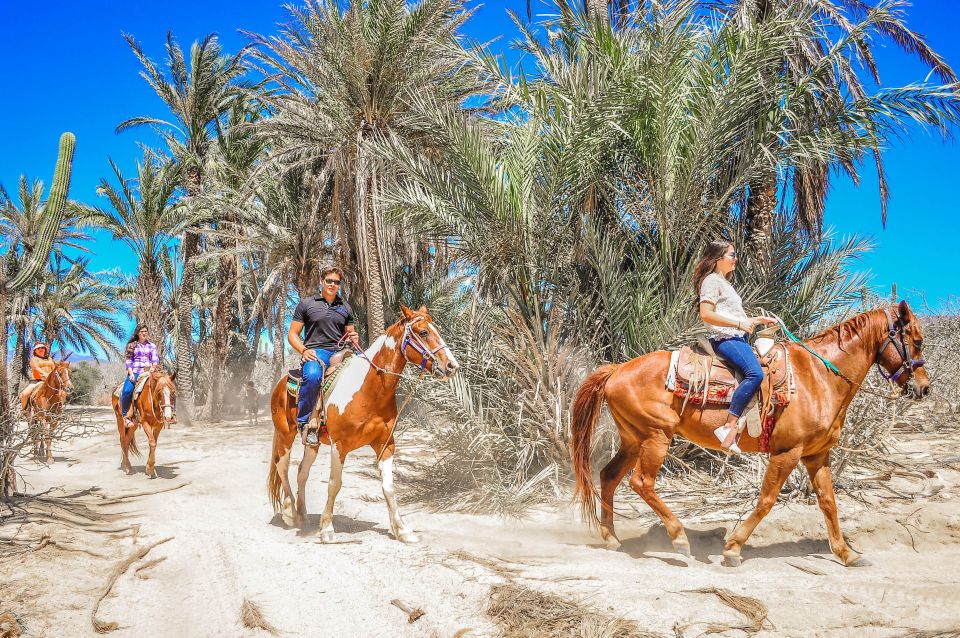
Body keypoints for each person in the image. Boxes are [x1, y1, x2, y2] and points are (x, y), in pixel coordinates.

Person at [693, 241, 777, 452]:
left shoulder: (725, 283)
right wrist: (740, 324)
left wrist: (756, 320)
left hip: (736, 338)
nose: (735, 258)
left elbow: (731, 314)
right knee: (755, 374)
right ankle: (729, 426)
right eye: (731, 254)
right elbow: (706, 314)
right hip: (724, 339)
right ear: (718, 258)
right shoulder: (712, 280)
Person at [287, 265, 360, 446]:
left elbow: (350, 333)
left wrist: (354, 336)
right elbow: (292, 334)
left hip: (340, 353)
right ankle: (305, 423)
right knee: (312, 376)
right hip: (316, 352)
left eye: (337, 282)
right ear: (321, 281)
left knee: (363, 374)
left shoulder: (345, 307)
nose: (333, 285)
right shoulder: (307, 304)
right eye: (329, 281)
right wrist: (304, 350)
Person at [121, 325, 160, 427]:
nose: (144, 333)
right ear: (138, 333)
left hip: (149, 372)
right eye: (142, 331)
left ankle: (171, 413)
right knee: (127, 391)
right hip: (136, 372)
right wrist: (131, 374)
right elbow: (128, 361)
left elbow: (155, 360)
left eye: (146, 331)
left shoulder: (152, 346)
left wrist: (153, 367)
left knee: (167, 385)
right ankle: (125, 416)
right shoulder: (132, 345)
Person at [19, 342, 56, 411]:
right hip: (37, 381)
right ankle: (24, 410)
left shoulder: (50, 359)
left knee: (62, 391)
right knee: (24, 394)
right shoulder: (34, 359)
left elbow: (54, 368)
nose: (41, 349)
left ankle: (59, 407)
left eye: (42, 348)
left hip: (50, 381)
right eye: (38, 348)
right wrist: (44, 373)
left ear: (45, 350)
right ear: (35, 351)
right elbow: (36, 368)